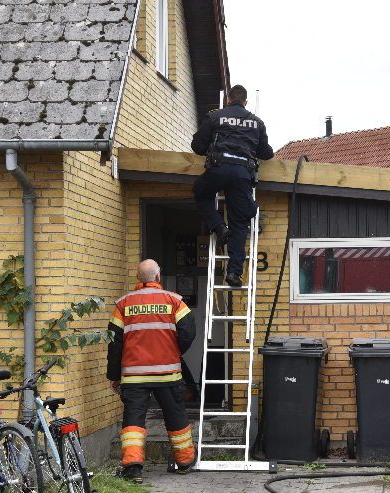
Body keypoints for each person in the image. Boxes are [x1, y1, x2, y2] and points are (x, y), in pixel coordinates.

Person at [107, 259, 197, 482]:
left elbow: (114, 343)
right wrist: (174, 351)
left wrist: (114, 375)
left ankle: (133, 469)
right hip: (169, 374)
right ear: (158, 277)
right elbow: (188, 333)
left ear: (139, 278)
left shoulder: (123, 305)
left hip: (134, 376)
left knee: (134, 421)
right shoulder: (175, 301)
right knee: (176, 416)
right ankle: (184, 462)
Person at [191, 84, 274, 287]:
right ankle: (234, 274)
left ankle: (219, 227)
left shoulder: (215, 117)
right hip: (242, 175)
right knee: (239, 223)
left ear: (228, 99)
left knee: (201, 191)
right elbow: (267, 153)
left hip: (218, 168)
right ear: (245, 101)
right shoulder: (257, 123)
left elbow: (198, 146)